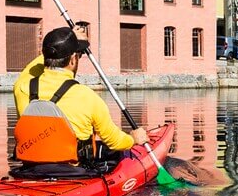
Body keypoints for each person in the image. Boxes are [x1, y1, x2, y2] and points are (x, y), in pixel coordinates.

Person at [12, 27, 147, 176]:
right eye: (77, 56)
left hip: (30, 170)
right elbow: (114, 141)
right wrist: (133, 139)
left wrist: (62, 43)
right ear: (72, 59)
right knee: (114, 153)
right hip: (74, 172)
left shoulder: (23, 87)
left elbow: (30, 69)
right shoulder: (88, 96)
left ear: (45, 56)